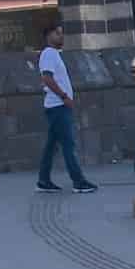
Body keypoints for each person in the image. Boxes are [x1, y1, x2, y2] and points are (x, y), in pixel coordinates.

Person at [35, 18, 98, 193]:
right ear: (49, 35)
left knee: (51, 146)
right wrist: (64, 96)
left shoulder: (53, 54)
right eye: (57, 33)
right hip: (58, 107)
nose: (61, 37)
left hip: (57, 106)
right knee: (68, 145)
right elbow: (47, 77)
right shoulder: (49, 53)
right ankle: (78, 181)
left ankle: (43, 180)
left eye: (61, 33)